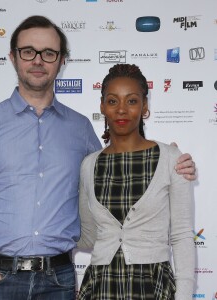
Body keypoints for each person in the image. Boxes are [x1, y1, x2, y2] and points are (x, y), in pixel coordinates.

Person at [0, 16, 196, 300]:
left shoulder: (81, 128)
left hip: (59, 282)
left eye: (49, 53)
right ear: (13, 57)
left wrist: (170, 161)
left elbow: (114, 171)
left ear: (61, 61)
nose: (38, 60)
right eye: (29, 51)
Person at [77, 64, 195, 300]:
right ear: (102, 107)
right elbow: (88, 235)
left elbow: (182, 235)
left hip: (152, 284)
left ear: (145, 107)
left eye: (131, 101)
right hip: (101, 285)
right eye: (112, 101)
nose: (121, 109)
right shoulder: (88, 165)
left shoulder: (171, 158)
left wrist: (183, 294)